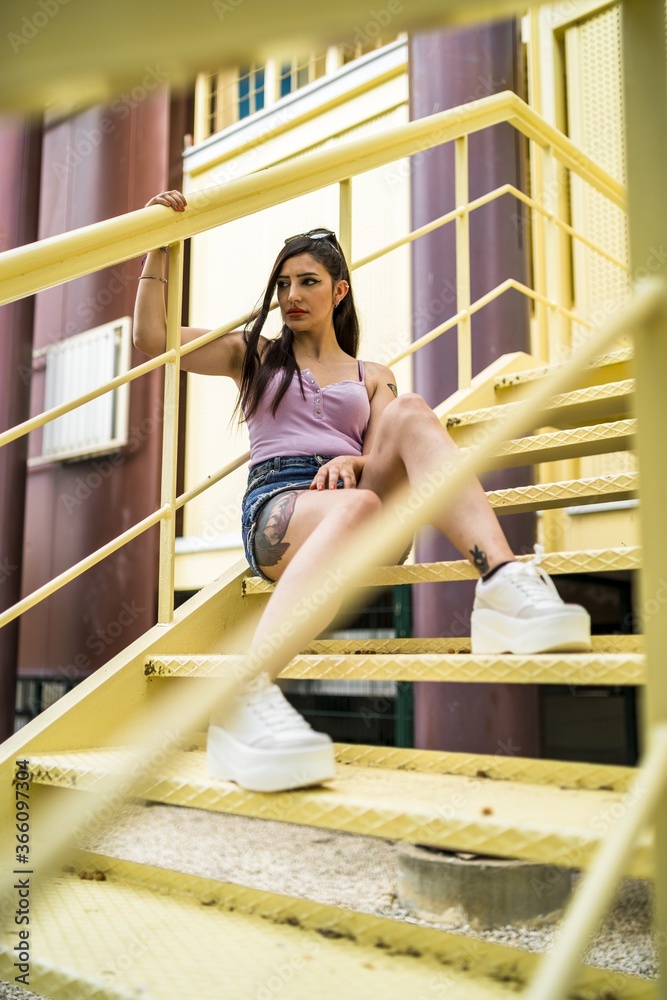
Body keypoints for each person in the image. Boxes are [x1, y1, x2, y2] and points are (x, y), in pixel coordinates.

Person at [133, 189, 591, 794]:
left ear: (338, 290)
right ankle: (245, 692)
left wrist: (355, 458)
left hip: (359, 501)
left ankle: (501, 578)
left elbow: (382, 456)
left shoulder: (371, 375)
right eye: (283, 285)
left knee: (411, 412)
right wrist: (162, 246)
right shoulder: (256, 355)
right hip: (279, 507)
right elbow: (150, 336)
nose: (291, 297)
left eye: (308, 282)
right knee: (360, 503)